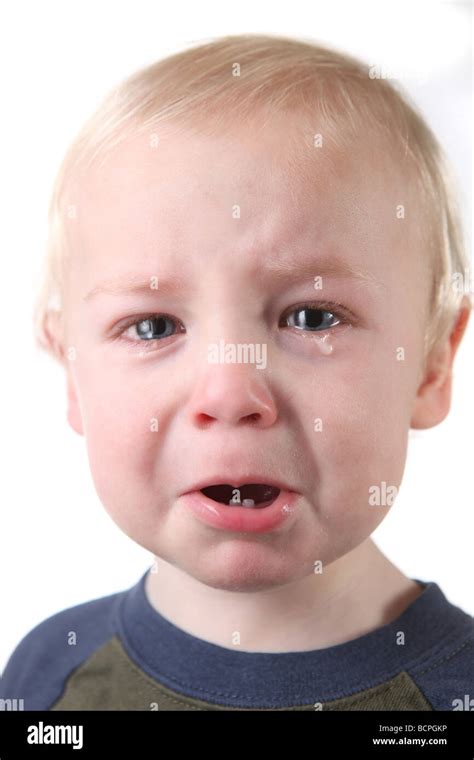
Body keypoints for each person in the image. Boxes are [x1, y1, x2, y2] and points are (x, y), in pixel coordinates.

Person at [1, 33, 472, 711]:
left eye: (312, 318)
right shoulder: (47, 677)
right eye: (154, 326)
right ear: (73, 374)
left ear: (431, 365)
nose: (230, 392)